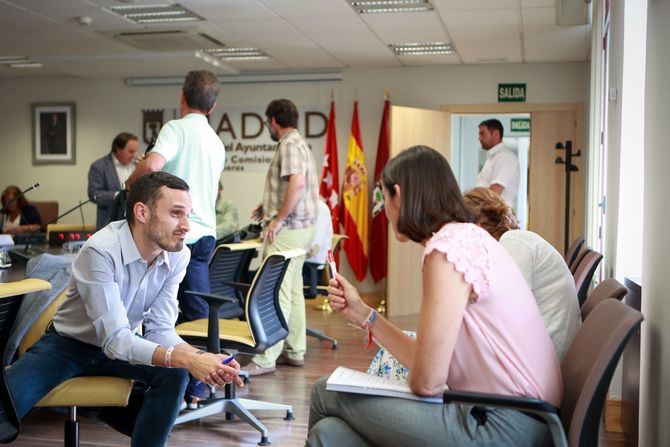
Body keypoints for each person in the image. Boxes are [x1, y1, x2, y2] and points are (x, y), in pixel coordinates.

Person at [307, 146, 561, 446]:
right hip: (517, 418)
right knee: (329, 436)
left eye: (383, 198)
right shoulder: (471, 236)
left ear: (398, 195)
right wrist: (365, 314)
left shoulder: (446, 250)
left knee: (325, 391)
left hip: (502, 425)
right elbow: (426, 361)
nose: (383, 211)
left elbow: (427, 382)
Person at [6, 172, 244, 447]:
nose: (186, 226)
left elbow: (159, 329)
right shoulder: (101, 250)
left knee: (174, 372)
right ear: (142, 212)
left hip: (122, 346)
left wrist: (201, 357)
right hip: (68, 345)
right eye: (176, 214)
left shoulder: (178, 253)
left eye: (188, 215)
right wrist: (188, 360)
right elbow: (115, 340)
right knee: (4, 409)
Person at [244, 99, 319, 376]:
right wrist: (270, 205)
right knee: (294, 290)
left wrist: (278, 218)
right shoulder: (299, 142)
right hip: (303, 228)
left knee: (276, 291)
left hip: (289, 230)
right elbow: (293, 184)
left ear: (274, 120)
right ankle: (294, 351)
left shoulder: (287, 144)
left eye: (268, 122)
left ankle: (266, 358)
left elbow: (296, 183)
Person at [462, 186, 581, 360]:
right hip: (540, 352)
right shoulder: (511, 244)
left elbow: (510, 314)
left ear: (476, 226)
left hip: (542, 359)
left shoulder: (513, 242)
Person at [88, 132, 139, 230]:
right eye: (130, 151)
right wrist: (119, 196)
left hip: (133, 224)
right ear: (117, 149)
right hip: (109, 223)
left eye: (135, 151)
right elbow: (93, 194)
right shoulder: (99, 166)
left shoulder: (137, 165)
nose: (134, 155)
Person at [476, 119, 519, 205]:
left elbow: (494, 194)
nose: (479, 138)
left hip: (496, 214)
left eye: (482, 134)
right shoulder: (492, 158)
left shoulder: (505, 157)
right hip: (489, 212)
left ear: (496, 134)